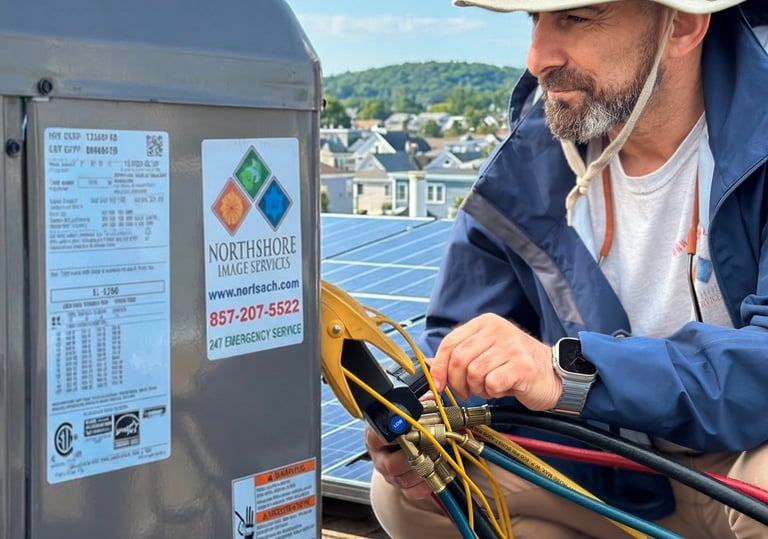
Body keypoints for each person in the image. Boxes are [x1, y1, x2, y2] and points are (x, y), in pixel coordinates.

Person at [364, 1, 768, 538]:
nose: (536, 58)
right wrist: (426, 417)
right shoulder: (529, 165)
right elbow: (459, 338)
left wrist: (564, 371)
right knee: (417, 489)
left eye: (576, 18)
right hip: (617, 470)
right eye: (534, 18)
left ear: (685, 24)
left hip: (744, 457)